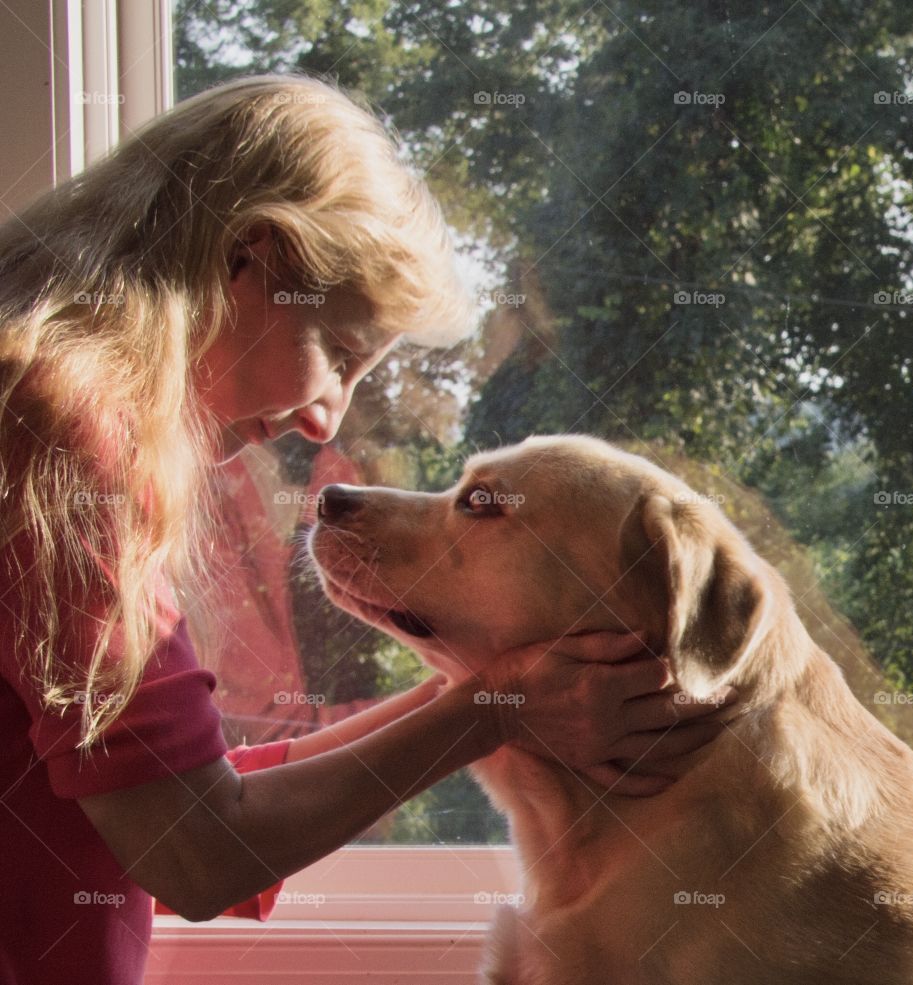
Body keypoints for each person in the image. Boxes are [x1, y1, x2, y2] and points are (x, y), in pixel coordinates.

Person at [0, 73, 736, 985]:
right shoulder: (63, 432)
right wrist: (491, 709)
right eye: (341, 355)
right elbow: (195, 851)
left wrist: (506, 695)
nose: (325, 417)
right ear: (250, 257)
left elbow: (179, 798)